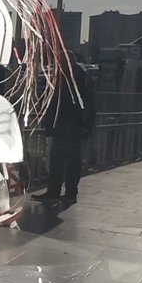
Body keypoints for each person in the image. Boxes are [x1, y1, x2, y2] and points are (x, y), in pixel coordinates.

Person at [34, 54, 96, 204]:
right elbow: (90, 104)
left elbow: (54, 104)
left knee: (59, 160)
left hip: (65, 126)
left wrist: (49, 126)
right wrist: (88, 126)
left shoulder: (64, 79)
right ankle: (69, 193)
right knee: (71, 162)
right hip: (74, 127)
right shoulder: (80, 78)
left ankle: (55, 191)